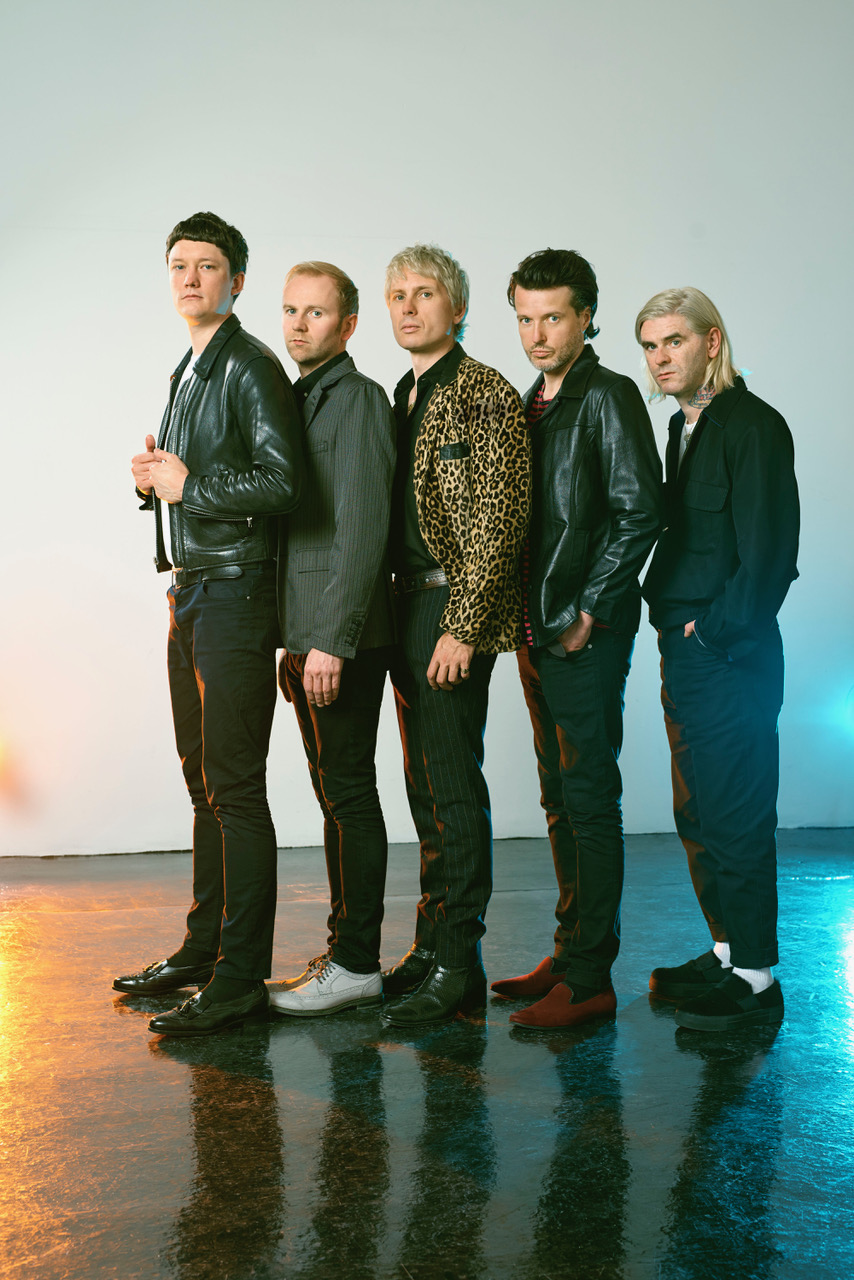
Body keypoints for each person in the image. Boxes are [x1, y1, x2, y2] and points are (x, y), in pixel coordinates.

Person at [115, 211, 303, 1036]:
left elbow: (284, 483)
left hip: (235, 594)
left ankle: (240, 977)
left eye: (208, 265)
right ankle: (203, 949)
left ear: (237, 281)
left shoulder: (250, 366)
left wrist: (189, 487)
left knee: (234, 788)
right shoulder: (189, 369)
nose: (190, 278)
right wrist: (152, 482)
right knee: (203, 785)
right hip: (190, 592)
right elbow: (195, 478)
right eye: (179, 265)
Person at [491, 248, 661, 1029]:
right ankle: (567, 954)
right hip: (536, 630)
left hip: (580, 633)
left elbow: (639, 511)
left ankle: (592, 978)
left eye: (553, 317)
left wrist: (589, 611)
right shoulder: (533, 402)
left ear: (585, 317)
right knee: (559, 797)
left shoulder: (607, 395)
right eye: (526, 319)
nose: (537, 334)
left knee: (589, 798)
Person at [636, 287, 798, 1031]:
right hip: (686, 648)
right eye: (649, 345)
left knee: (735, 811)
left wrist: (712, 634)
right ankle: (729, 950)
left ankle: (757, 980)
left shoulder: (753, 425)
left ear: (711, 341)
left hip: (729, 655)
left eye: (674, 341)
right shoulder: (684, 426)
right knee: (697, 808)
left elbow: (768, 557)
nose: (660, 357)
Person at [381, 243, 531, 1026]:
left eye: (426, 293)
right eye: (398, 295)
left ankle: (460, 963)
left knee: (452, 784)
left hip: (450, 609)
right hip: (404, 607)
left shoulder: (484, 392)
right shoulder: (404, 394)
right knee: (423, 787)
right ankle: (430, 943)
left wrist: (464, 628)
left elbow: (499, 523)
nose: (409, 307)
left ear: (458, 308)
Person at [269, 261, 396, 1017]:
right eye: (290, 309)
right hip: (302, 636)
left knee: (348, 792)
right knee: (332, 794)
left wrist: (331, 641)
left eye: (315, 313)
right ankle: (345, 953)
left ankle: (357, 963)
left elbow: (362, 530)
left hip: (339, 639)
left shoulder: (359, 401)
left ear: (347, 325)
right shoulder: (295, 399)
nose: (298, 324)